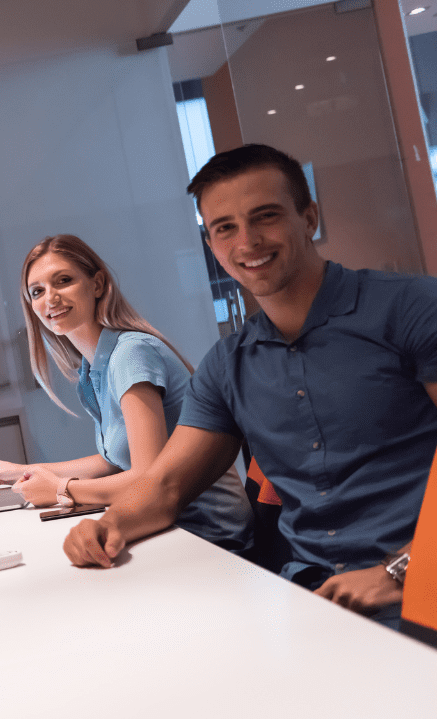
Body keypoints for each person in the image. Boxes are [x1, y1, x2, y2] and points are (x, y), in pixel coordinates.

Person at [64, 144, 437, 629]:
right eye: (224, 228)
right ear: (212, 244)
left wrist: (400, 571)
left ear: (309, 217)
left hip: (418, 588)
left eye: (265, 216)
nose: (247, 242)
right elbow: (167, 485)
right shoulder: (228, 365)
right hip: (312, 599)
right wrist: (109, 524)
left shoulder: (410, 308)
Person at [0, 235, 252, 550]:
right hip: (170, 528)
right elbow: (113, 461)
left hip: (211, 537)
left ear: (97, 284)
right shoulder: (96, 366)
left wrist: (62, 490)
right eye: (37, 291)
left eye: (63, 281)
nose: (50, 298)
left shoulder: (130, 354)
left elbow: (148, 479)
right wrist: (24, 471)